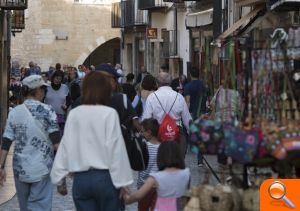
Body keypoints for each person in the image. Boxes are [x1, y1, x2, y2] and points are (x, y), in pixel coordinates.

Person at [50, 71, 133, 211]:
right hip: (105, 178)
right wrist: (123, 182)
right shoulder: (109, 113)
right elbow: (116, 148)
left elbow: (66, 146)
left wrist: (59, 178)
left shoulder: (75, 114)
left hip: (81, 180)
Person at [0, 75, 61, 211]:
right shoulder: (48, 110)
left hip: (20, 169)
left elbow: (6, 141)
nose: (45, 92)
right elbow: (56, 140)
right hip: (42, 167)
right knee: (41, 206)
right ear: (38, 90)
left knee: (24, 206)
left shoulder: (14, 112)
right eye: (44, 89)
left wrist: (1, 166)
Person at [124, 141, 190, 210]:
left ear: (161, 156)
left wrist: (126, 199)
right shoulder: (186, 174)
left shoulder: (156, 177)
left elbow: (138, 195)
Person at [142, 72, 192, 157]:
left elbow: (146, 120)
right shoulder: (179, 96)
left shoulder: (152, 97)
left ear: (156, 84)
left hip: (158, 135)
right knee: (177, 164)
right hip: (177, 135)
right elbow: (187, 121)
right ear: (171, 82)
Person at [184, 67, 207, 167]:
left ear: (190, 75)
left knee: (189, 133)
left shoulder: (188, 86)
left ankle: (186, 152)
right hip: (202, 113)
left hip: (192, 113)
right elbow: (207, 99)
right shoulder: (204, 85)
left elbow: (187, 102)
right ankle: (200, 159)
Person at [137, 118, 160, 211]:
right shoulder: (162, 147)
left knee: (142, 208)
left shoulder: (144, 147)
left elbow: (141, 168)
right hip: (158, 186)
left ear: (149, 132)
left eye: (143, 132)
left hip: (144, 186)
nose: (141, 134)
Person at [44, 70, 69, 137]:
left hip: (60, 117)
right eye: (56, 78)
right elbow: (41, 100)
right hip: (48, 116)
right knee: (49, 137)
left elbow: (68, 100)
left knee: (60, 138)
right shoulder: (46, 87)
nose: (57, 80)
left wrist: (66, 106)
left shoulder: (65, 87)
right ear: (53, 77)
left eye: (60, 79)